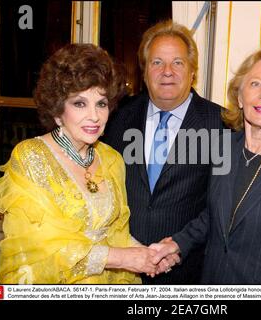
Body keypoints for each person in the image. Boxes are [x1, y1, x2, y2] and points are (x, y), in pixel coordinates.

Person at [0, 43, 162, 284]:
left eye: (101, 103)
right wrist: (123, 258)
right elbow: (42, 248)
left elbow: (116, 234)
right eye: (80, 103)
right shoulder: (31, 157)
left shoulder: (111, 159)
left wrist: (148, 254)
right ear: (58, 111)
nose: (94, 115)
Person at [152, 49, 261, 284]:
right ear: (239, 97)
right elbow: (213, 217)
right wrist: (176, 244)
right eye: (255, 84)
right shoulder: (222, 148)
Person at [103, 20, 225, 284]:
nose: (167, 72)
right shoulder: (117, 118)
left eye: (178, 62)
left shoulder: (222, 124)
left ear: (193, 71)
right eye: (157, 62)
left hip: (187, 274)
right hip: (123, 273)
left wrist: (180, 245)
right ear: (144, 72)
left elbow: (222, 206)